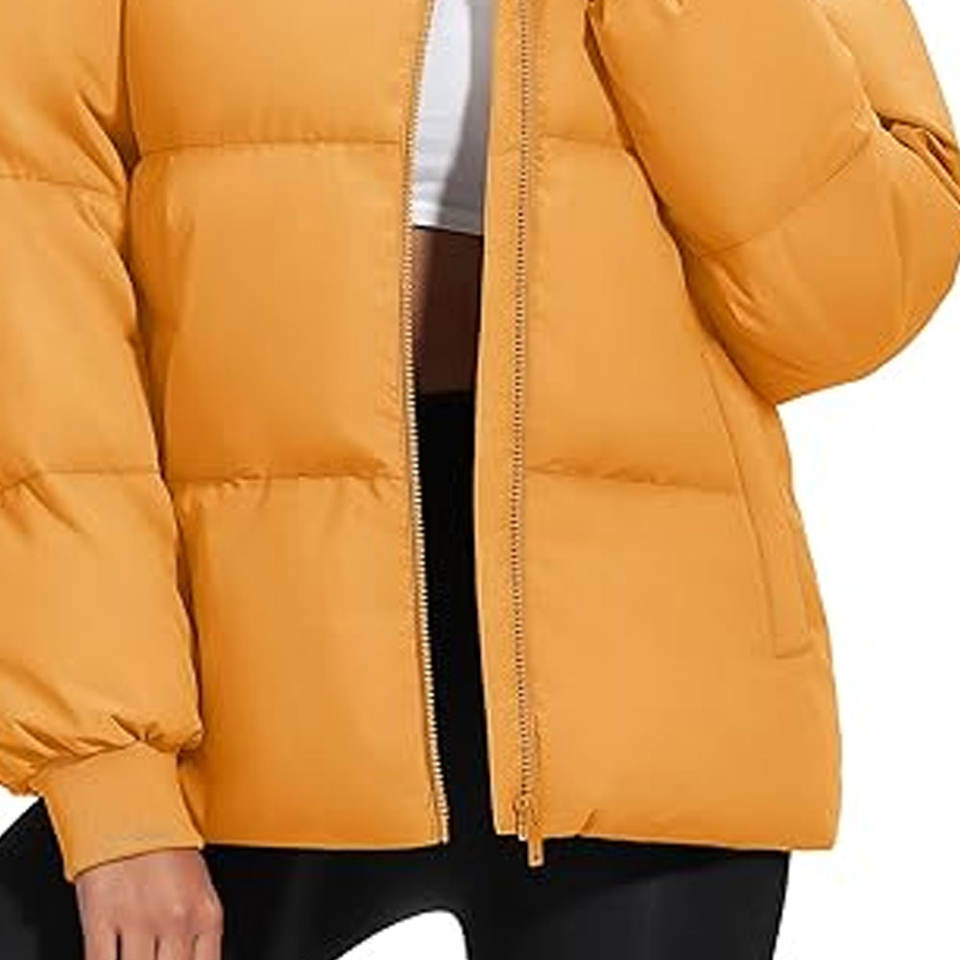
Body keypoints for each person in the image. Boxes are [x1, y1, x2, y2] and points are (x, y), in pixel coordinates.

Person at [0, 0, 958, 957]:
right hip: (242, 654)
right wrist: (110, 779)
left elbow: (850, 300)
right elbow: (37, 274)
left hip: (648, 678)